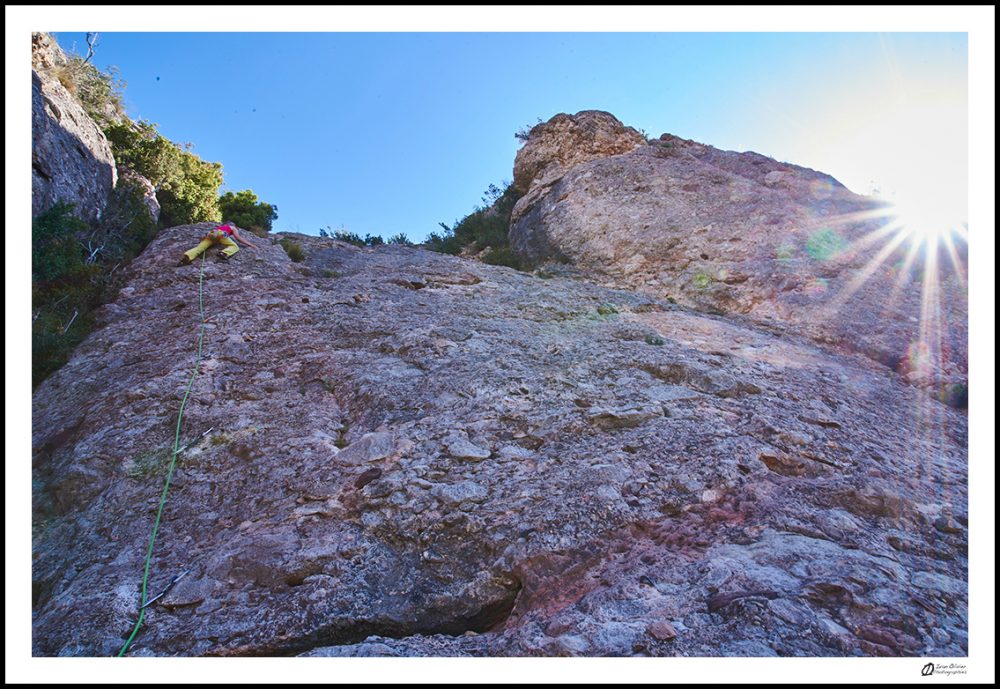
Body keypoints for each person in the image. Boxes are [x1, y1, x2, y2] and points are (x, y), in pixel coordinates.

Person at [178, 221, 260, 265]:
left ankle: (188, 256)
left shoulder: (219, 227)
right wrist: (251, 245)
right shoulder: (232, 227)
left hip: (211, 234)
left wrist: (203, 239)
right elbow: (238, 238)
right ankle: (224, 253)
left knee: (199, 248)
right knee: (235, 246)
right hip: (221, 234)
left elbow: (211, 234)